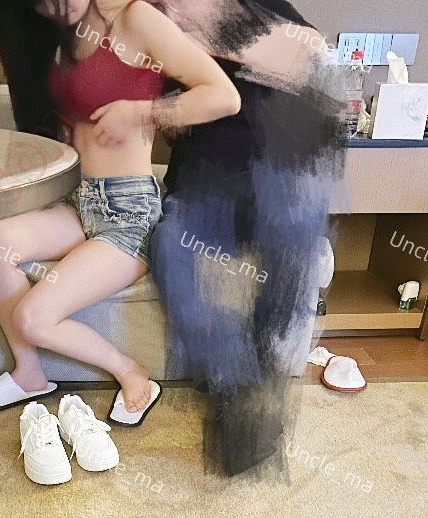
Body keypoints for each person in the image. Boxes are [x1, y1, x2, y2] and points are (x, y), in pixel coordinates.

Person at [0, 0, 241, 423]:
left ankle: (130, 370)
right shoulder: (59, 38)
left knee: (33, 318)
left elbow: (224, 96)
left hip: (129, 213)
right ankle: (28, 374)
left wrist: (142, 112)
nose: (58, 5)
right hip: (78, 200)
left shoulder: (135, 18)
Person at [137, 0, 346, 475]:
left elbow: (313, 53)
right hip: (201, 187)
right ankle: (236, 385)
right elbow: (165, 125)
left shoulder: (250, 7)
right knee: (171, 246)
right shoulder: (146, 23)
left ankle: (267, 357)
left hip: (278, 179)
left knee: (295, 217)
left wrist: (212, 37)